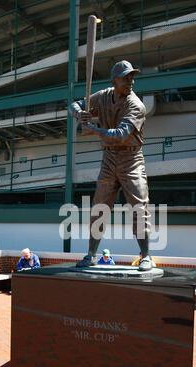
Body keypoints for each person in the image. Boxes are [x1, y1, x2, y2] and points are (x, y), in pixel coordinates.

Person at [70, 60, 152, 271]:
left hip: (131, 160)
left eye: (131, 77)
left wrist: (92, 128)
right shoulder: (105, 95)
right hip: (108, 158)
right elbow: (73, 104)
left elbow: (120, 135)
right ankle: (91, 254)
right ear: (114, 80)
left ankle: (146, 256)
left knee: (139, 208)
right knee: (99, 207)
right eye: (126, 77)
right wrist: (80, 114)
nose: (130, 81)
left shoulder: (136, 105)